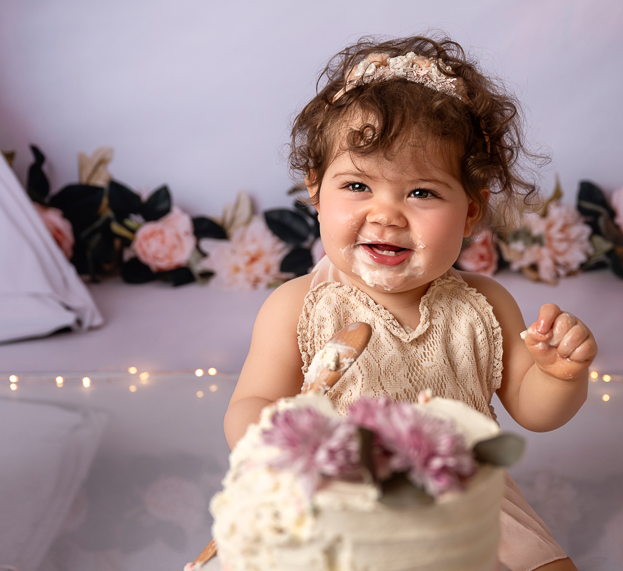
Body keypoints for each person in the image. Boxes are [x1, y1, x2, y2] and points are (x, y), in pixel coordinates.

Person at [224, 35, 596, 571]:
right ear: (315, 188)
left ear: (470, 211)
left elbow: (533, 412)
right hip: (341, 500)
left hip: (462, 501)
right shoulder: (298, 307)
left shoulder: (483, 306)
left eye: (421, 193)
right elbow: (249, 406)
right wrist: (290, 443)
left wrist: (559, 376)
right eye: (357, 185)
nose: (387, 214)